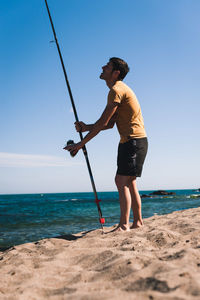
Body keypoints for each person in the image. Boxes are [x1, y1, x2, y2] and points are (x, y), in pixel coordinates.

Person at [64, 57, 148, 232]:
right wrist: (86, 127)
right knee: (129, 182)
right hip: (134, 141)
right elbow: (110, 123)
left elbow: (103, 122)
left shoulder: (116, 90)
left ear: (115, 73)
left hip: (132, 141)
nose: (102, 67)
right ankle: (137, 222)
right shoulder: (120, 89)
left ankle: (124, 225)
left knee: (120, 181)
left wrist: (80, 143)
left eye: (107, 66)